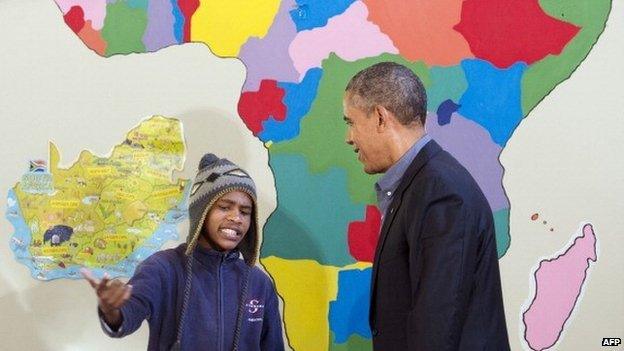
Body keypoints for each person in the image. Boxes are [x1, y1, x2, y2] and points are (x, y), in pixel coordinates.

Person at [343, 62, 510, 350]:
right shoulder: (423, 185)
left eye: (351, 123)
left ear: (381, 117)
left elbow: (437, 323)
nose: (350, 138)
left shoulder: (441, 193)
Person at [82, 153, 285, 351]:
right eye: (224, 207)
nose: (236, 218)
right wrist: (112, 310)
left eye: (245, 212)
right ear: (201, 212)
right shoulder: (163, 268)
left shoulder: (260, 283)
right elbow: (129, 313)